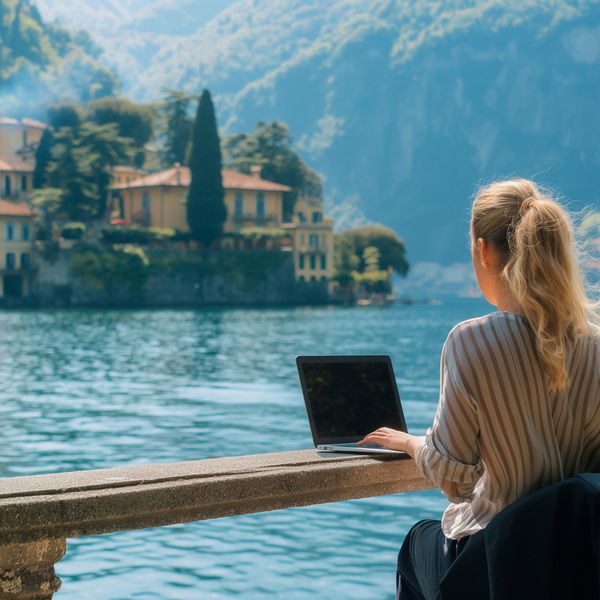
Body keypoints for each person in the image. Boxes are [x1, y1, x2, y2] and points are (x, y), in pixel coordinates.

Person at [357, 178, 600, 600]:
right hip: (577, 566)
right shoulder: (596, 345)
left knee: (418, 542)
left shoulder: (470, 341)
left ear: (482, 250)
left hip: (497, 564)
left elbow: (455, 479)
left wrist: (412, 444)